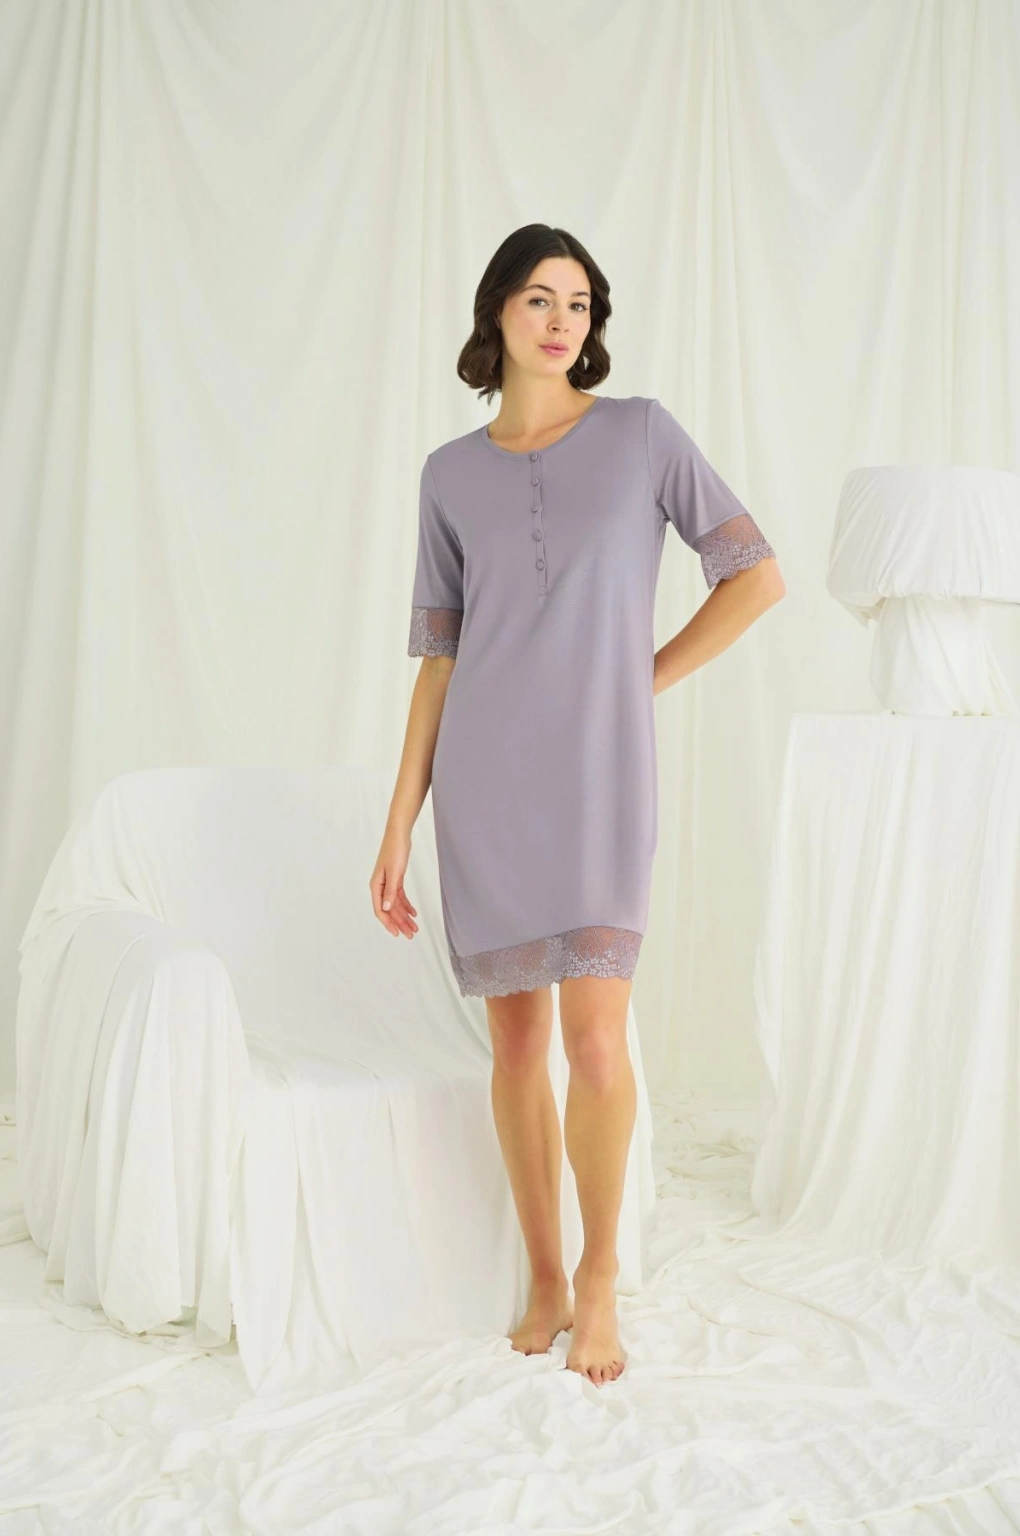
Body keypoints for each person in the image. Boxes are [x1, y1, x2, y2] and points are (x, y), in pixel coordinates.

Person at [370, 224, 784, 1387]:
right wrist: (398, 821)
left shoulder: (642, 434)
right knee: (515, 1042)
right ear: (496, 312)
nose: (563, 321)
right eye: (540, 299)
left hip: (602, 774)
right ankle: (545, 1276)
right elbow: (439, 661)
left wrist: (636, 680)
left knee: (596, 1036)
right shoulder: (447, 475)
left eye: (581, 303)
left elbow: (756, 576)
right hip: (485, 779)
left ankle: (599, 1277)